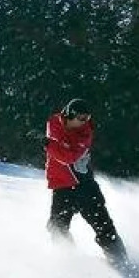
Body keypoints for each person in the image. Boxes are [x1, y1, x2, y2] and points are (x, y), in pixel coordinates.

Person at [44, 98, 124, 258]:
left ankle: (119, 258)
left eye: (87, 118)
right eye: (81, 118)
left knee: (102, 225)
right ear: (68, 115)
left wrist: (50, 145)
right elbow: (58, 143)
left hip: (84, 185)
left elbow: (69, 157)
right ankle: (67, 258)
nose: (84, 122)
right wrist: (57, 145)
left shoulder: (85, 133)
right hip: (62, 186)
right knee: (57, 227)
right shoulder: (54, 121)